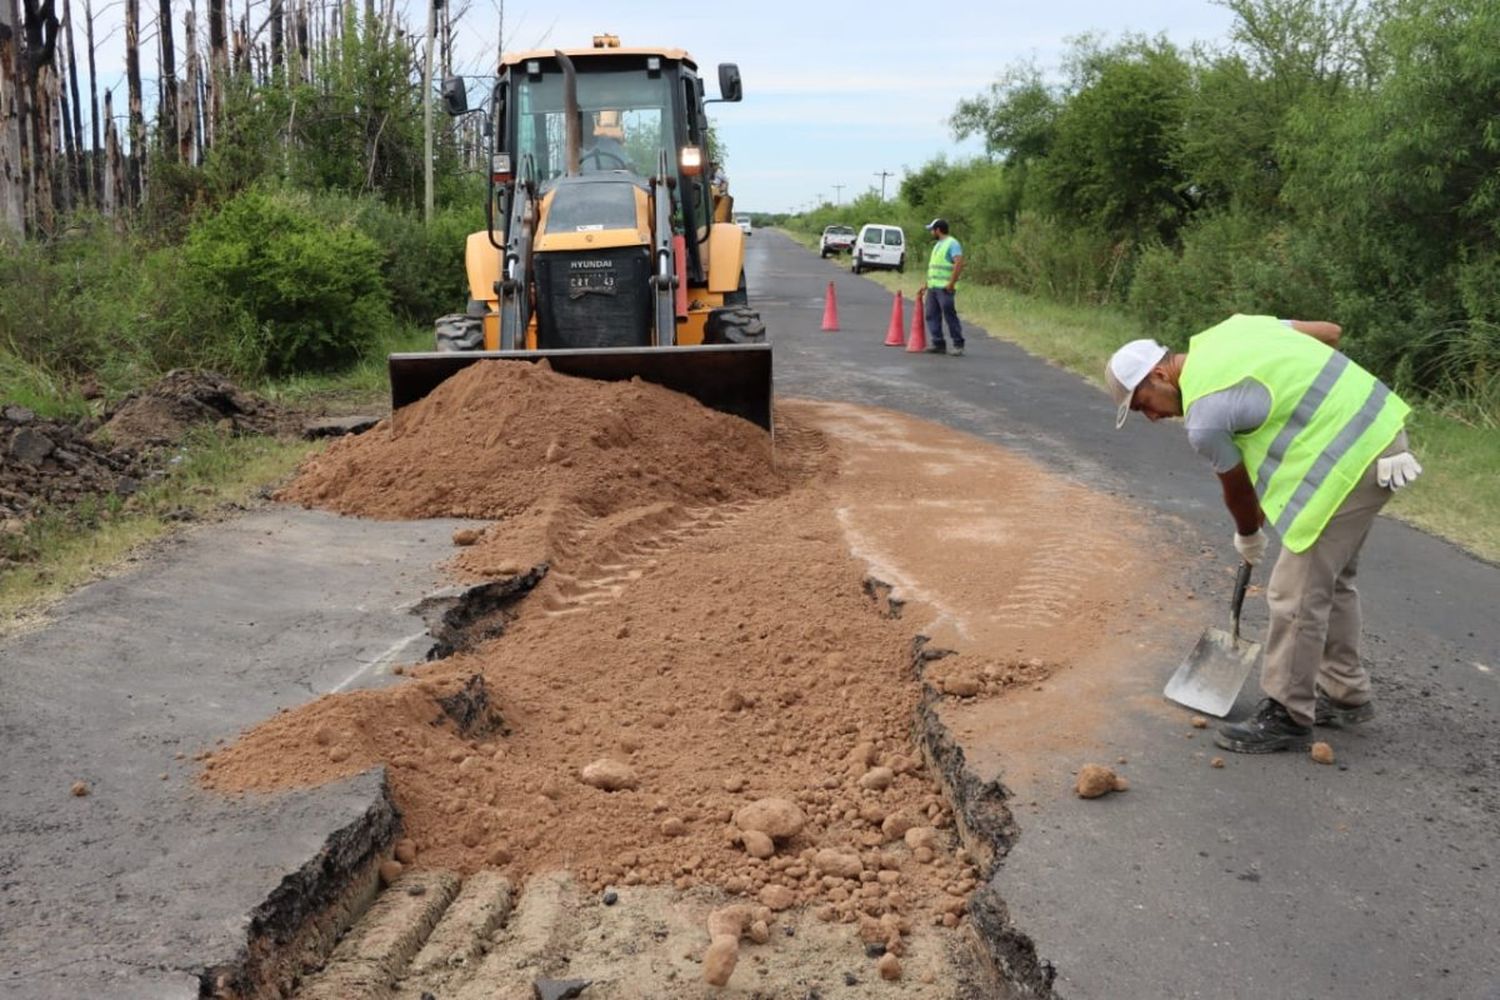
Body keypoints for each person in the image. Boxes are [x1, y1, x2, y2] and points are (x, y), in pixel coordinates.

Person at [1105, 314, 1423, 753]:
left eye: (1143, 405)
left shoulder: (1204, 416)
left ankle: (1288, 713)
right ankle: (1344, 694)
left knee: (1295, 591)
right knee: (1334, 579)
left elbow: (1237, 488)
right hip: (1381, 430)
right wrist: (1313, 407)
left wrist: (1249, 536)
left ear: (1159, 374)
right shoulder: (1231, 330)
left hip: (1352, 460)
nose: (1152, 417)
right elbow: (1330, 333)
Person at [923, 218, 965, 356]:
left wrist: (951, 283)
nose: (931, 233)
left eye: (932, 230)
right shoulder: (937, 245)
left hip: (945, 288)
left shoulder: (952, 243)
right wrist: (926, 284)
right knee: (931, 314)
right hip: (933, 287)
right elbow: (934, 268)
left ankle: (958, 344)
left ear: (938, 230)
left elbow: (958, 263)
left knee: (949, 315)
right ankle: (938, 343)